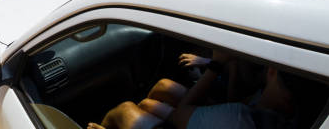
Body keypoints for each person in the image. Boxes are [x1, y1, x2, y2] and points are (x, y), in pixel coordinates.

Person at [88, 50, 299, 129]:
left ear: (272, 70)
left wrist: (216, 64)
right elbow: (235, 101)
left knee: (125, 110)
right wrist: (231, 64)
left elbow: (181, 112)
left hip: (220, 120)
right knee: (157, 93)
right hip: (223, 117)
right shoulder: (283, 112)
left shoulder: (238, 117)